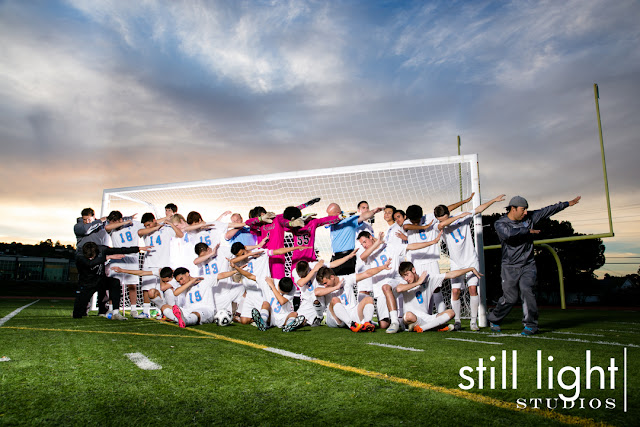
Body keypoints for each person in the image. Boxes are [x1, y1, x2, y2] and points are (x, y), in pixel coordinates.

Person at [488, 195, 581, 335]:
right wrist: (527, 231)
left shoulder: (530, 218)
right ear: (513, 208)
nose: (525, 212)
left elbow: (548, 210)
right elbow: (508, 234)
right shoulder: (501, 223)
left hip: (528, 264)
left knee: (527, 290)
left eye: (526, 209)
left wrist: (568, 203)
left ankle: (531, 325)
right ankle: (494, 318)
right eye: (523, 209)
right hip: (509, 266)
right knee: (510, 298)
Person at [434, 194, 506, 331]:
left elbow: (478, 209)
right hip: (455, 262)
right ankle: (457, 321)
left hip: (470, 259)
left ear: (448, 213)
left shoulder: (463, 216)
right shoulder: (442, 223)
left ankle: (473, 321)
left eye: (443, 217)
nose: (441, 221)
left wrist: (493, 200)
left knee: (472, 289)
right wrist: (458, 217)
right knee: (455, 291)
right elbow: (442, 225)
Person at [403, 193, 474, 313]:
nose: (415, 222)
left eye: (417, 220)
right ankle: (422, 315)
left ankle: (441, 317)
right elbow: (407, 227)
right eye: (412, 220)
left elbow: (447, 209)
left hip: (432, 260)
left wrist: (465, 201)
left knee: (436, 289)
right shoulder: (407, 224)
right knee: (419, 290)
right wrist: (424, 227)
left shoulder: (430, 217)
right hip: (417, 262)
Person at [397, 261, 483, 332]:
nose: (406, 278)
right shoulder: (404, 283)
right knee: (408, 316)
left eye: (407, 274)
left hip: (426, 318)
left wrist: (470, 269)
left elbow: (451, 274)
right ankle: (435, 326)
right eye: (403, 276)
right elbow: (399, 289)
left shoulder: (429, 279)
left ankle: (423, 328)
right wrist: (418, 283)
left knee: (451, 312)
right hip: (410, 318)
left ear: (413, 270)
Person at [72, 242, 149, 319]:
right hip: (86, 283)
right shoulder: (79, 255)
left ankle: (115, 312)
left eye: (92, 256)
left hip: (100, 280)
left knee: (115, 282)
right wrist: (108, 257)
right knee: (77, 314)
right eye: (88, 257)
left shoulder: (102, 249)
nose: (90, 258)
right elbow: (90, 263)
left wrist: (139, 248)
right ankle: (80, 311)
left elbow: (120, 250)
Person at [314, 260, 392, 332]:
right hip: (335, 319)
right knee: (334, 299)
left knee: (368, 299)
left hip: (351, 314)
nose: (325, 285)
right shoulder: (326, 287)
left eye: (325, 283)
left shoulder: (347, 279)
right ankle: (351, 325)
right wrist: (336, 287)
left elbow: (366, 274)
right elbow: (317, 292)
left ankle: (367, 323)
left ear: (332, 277)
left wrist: (383, 267)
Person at [326, 202, 382, 276]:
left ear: (338, 213)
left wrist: (373, 211)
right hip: (334, 257)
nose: (328, 217)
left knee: (348, 283)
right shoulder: (331, 222)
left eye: (330, 215)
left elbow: (363, 217)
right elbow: (324, 223)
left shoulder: (349, 221)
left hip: (347, 256)